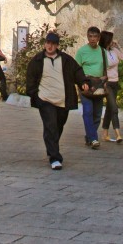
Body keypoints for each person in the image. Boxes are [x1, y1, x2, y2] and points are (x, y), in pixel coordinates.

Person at [26, 31, 88, 170]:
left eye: (53, 44)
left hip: (63, 100)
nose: (50, 46)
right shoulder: (37, 61)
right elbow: (30, 79)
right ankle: (55, 158)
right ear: (45, 44)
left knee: (59, 125)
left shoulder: (66, 59)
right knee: (51, 126)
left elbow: (77, 71)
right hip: (45, 99)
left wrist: (83, 82)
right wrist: (35, 95)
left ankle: (51, 148)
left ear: (57, 45)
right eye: (48, 43)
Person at [75, 25, 107, 149]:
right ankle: (94, 138)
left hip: (99, 83)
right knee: (88, 110)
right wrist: (81, 83)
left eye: (95, 36)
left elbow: (105, 69)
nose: (92, 39)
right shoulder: (82, 51)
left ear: (98, 38)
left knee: (97, 114)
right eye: (90, 36)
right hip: (86, 83)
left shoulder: (103, 51)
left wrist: (105, 81)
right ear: (87, 37)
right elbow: (76, 70)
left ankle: (89, 135)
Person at [100, 30, 123, 143]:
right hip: (107, 83)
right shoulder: (101, 52)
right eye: (111, 40)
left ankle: (105, 133)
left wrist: (119, 46)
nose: (112, 41)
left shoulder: (114, 51)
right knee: (114, 108)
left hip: (115, 82)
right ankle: (117, 133)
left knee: (110, 108)